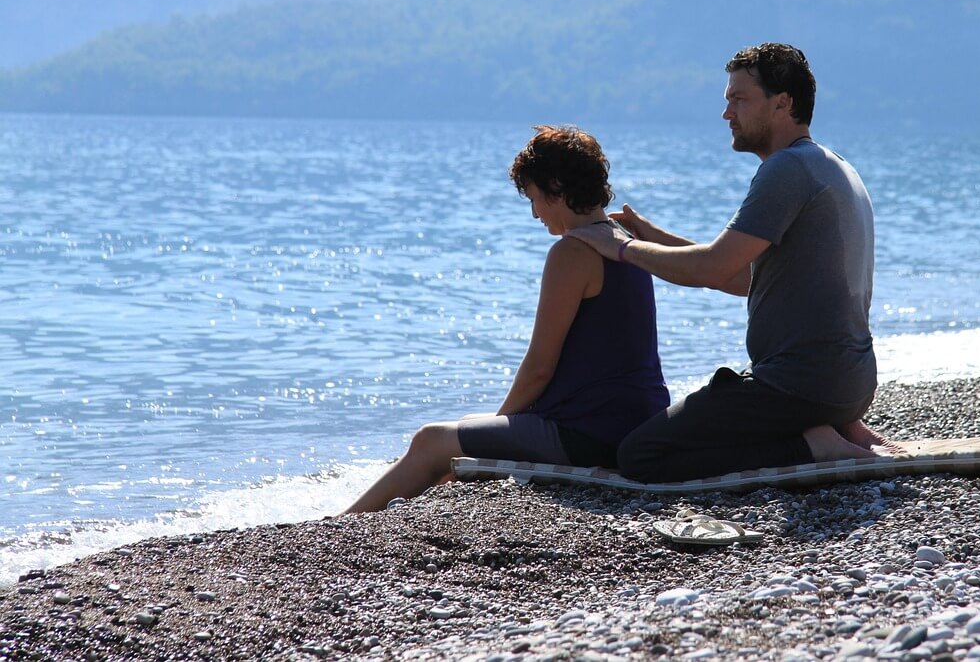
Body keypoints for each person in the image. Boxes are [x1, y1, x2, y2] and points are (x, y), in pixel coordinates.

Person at [568, 43, 896, 483]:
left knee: (640, 454)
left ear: (783, 104)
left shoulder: (787, 170)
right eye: (727, 101)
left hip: (799, 386)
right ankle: (832, 428)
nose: (727, 114)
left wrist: (621, 249)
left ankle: (812, 445)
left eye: (738, 100)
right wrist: (653, 236)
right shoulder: (832, 166)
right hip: (849, 387)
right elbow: (748, 279)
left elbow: (711, 268)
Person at [346, 125, 669, 512]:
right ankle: (409, 508)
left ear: (555, 186)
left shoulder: (573, 252)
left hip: (590, 434)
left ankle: (339, 523)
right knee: (468, 426)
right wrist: (496, 429)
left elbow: (538, 369)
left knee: (430, 440)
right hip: (636, 422)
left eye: (534, 199)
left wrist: (503, 422)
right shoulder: (623, 240)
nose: (534, 213)